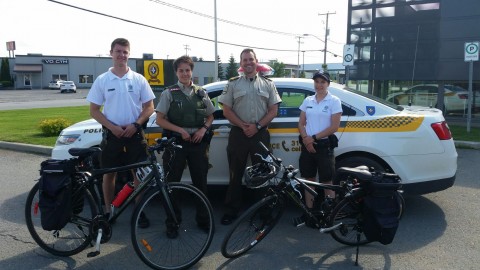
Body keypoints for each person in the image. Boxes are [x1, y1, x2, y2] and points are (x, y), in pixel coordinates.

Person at [86, 38, 155, 228]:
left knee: (138, 175)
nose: (121, 55)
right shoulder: (102, 80)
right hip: (112, 135)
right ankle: (108, 211)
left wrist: (136, 124)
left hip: (134, 133)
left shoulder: (139, 79)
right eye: (118, 51)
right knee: (109, 175)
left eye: (125, 52)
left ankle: (139, 212)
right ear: (111, 53)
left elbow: (149, 107)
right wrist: (112, 127)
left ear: (129, 54)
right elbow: (94, 110)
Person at [217, 48, 282, 225]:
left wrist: (257, 126)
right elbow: (226, 110)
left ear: (256, 61)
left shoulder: (268, 84)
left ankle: (264, 211)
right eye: (244, 60)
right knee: (235, 173)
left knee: (262, 174)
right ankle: (232, 210)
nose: (248, 63)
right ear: (240, 63)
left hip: (260, 133)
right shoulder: (233, 84)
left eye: (250, 59)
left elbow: (273, 110)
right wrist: (243, 126)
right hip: (238, 133)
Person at [155, 55, 215, 234]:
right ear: (176, 72)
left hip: (198, 143)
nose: (184, 73)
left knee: (201, 183)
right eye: (181, 70)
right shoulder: (169, 93)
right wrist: (179, 130)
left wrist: (203, 129)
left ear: (192, 72)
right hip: (176, 144)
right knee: (172, 185)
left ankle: (204, 220)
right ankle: (173, 223)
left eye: (187, 70)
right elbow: (159, 119)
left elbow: (211, 115)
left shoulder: (201, 92)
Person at [295, 71, 342, 227]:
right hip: (307, 146)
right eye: (316, 82)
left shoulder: (334, 101)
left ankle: (330, 215)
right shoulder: (308, 100)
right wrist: (307, 141)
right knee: (308, 180)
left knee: (327, 181)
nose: (319, 85)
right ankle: (310, 213)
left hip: (323, 146)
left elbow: (334, 126)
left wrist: (313, 138)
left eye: (323, 82)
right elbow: (301, 123)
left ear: (328, 84)